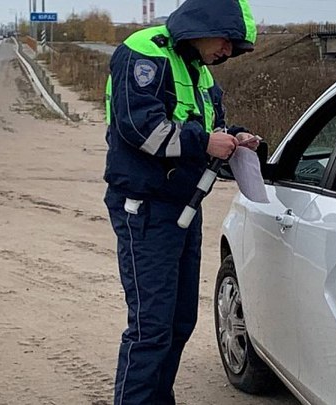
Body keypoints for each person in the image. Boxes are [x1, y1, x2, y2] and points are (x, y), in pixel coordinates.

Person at [102, 0, 258, 403]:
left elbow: (207, 126)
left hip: (184, 208)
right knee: (150, 327)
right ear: (204, 25)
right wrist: (205, 142)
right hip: (147, 209)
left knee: (178, 321)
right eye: (226, 41)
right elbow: (141, 129)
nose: (228, 52)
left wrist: (233, 139)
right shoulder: (144, 52)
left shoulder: (199, 71)